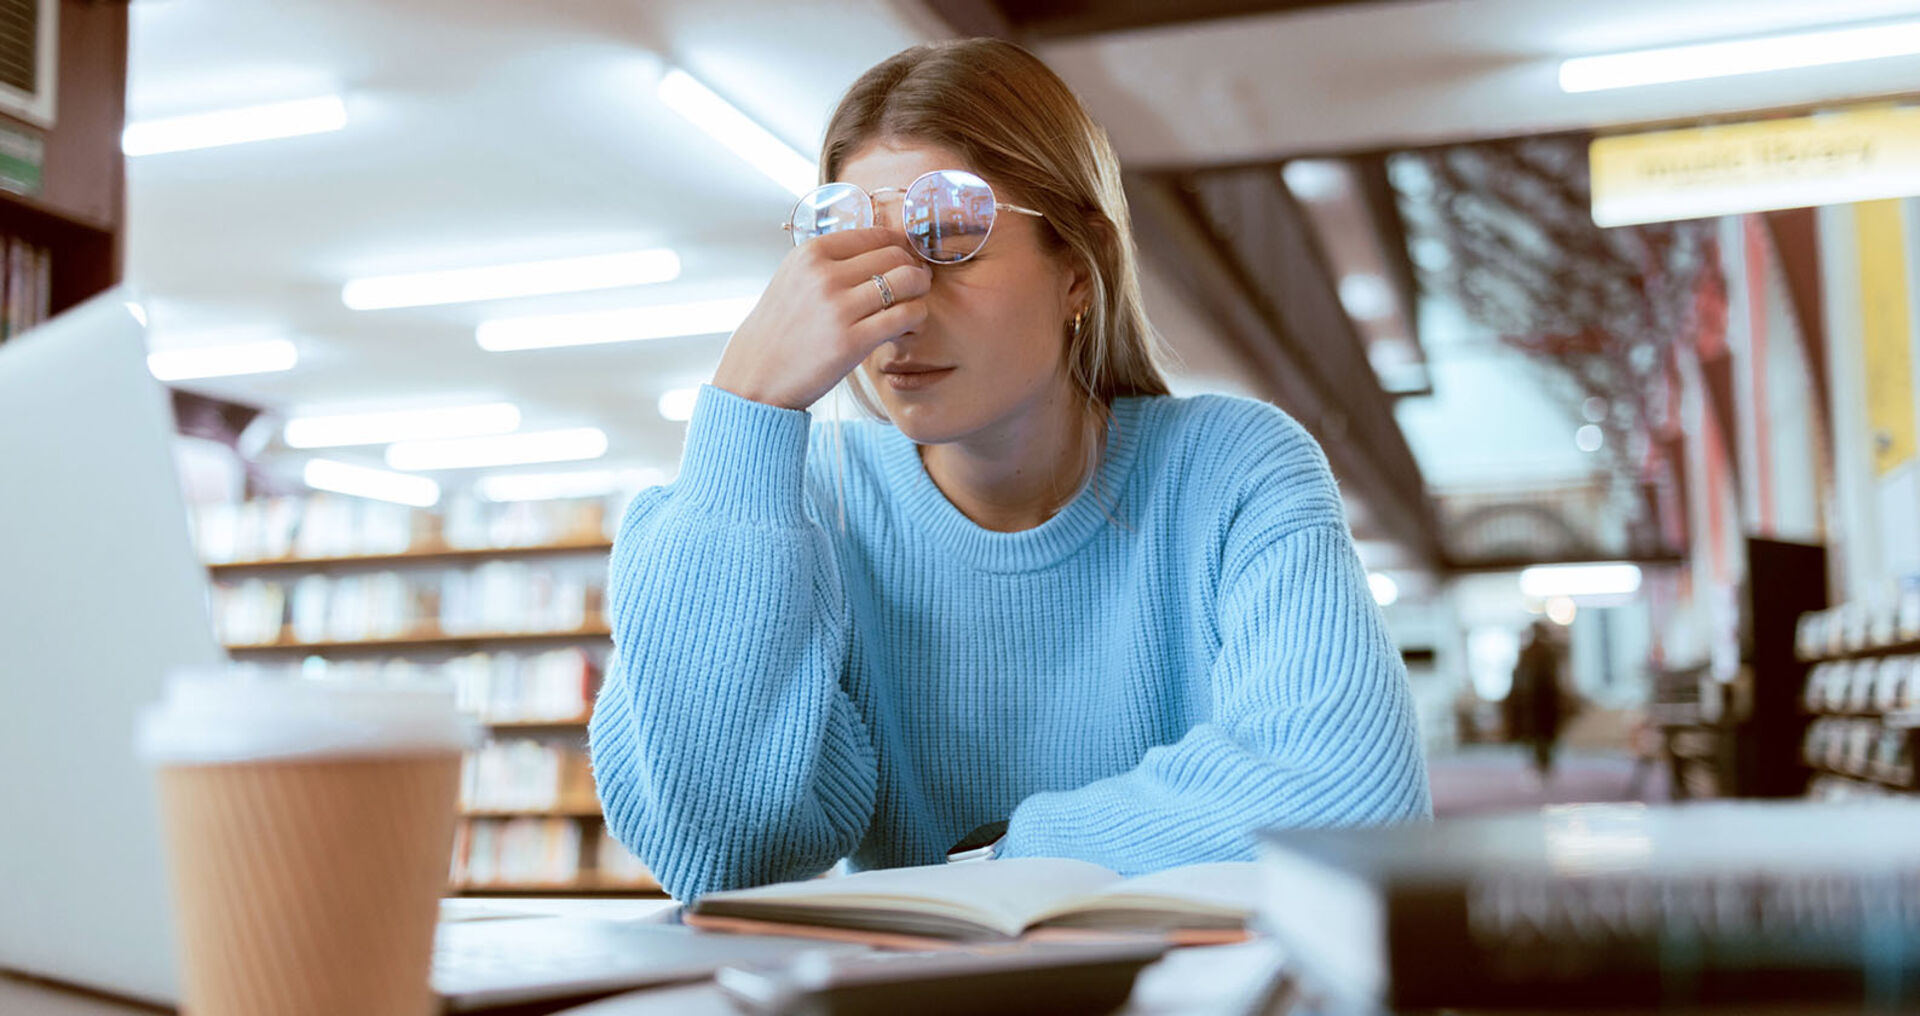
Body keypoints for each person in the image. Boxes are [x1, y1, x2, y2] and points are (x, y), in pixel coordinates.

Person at [589, 38, 1431, 902]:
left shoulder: (1234, 471)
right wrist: (747, 410)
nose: (896, 312)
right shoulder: (802, 509)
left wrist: (1001, 861)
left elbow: (1351, 802)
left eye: (951, 238)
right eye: (849, 254)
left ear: (1077, 266)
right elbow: (714, 851)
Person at [1507, 620, 1566, 780]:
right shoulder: (1532, 652)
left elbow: (1553, 678)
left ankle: (1543, 764)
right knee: (1538, 736)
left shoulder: (1544, 652)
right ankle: (1540, 764)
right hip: (1535, 702)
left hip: (1541, 701)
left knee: (1543, 736)